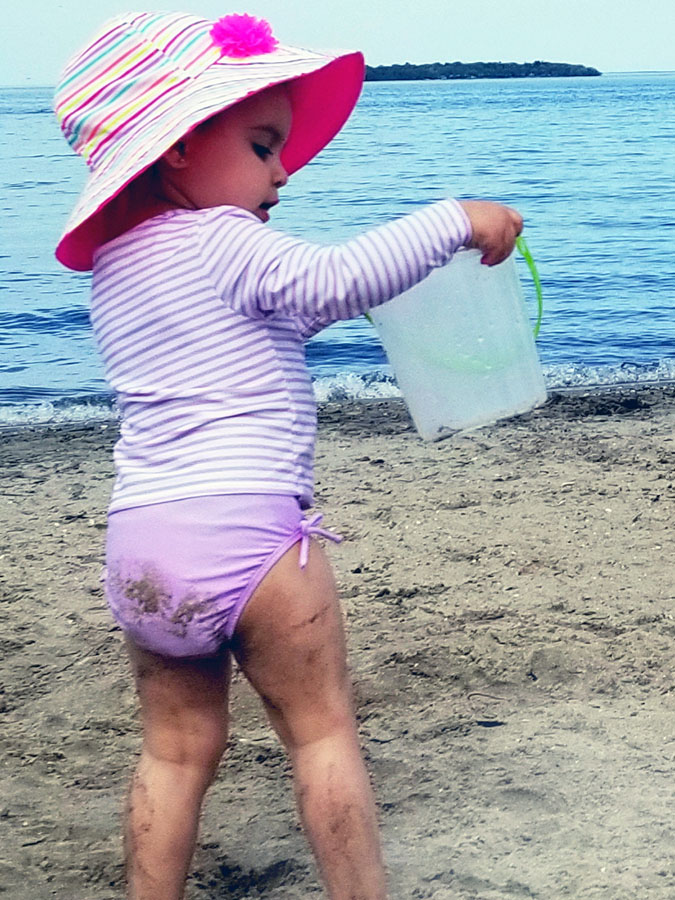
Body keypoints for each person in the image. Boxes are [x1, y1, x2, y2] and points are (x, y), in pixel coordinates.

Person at [54, 11, 523, 900]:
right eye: (264, 144)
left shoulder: (116, 263)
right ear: (182, 147)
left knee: (174, 750)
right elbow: (331, 282)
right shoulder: (224, 239)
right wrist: (455, 218)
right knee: (319, 732)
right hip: (252, 537)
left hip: (143, 540)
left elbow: (259, 316)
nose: (281, 173)